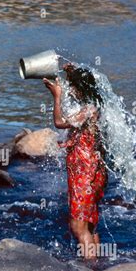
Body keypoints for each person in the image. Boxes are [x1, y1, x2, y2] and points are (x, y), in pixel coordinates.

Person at [43, 64, 107, 260]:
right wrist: (70, 72)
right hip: (93, 172)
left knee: (78, 226)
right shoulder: (95, 106)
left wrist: (56, 96)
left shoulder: (87, 110)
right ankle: (97, 267)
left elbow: (60, 122)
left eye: (73, 86)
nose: (70, 90)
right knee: (89, 223)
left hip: (84, 174)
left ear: (81, 89)